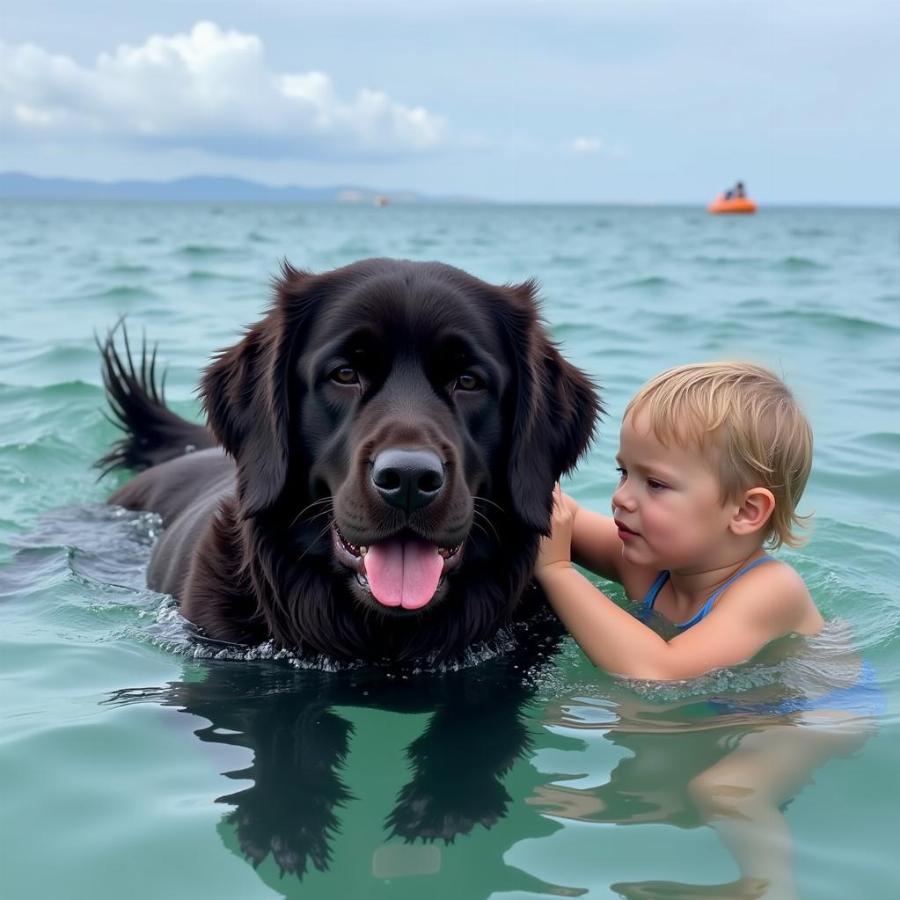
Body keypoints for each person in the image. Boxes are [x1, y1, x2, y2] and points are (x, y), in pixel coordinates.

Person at [535, 361, 825, 681]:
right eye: (624, 473)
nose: (620, 498)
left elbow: (660, 672)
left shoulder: (772, 590)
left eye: (655, 484)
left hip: (810, 715)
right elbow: (560, 516)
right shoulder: (646, 561)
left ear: (745, 511)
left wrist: (557, 572)